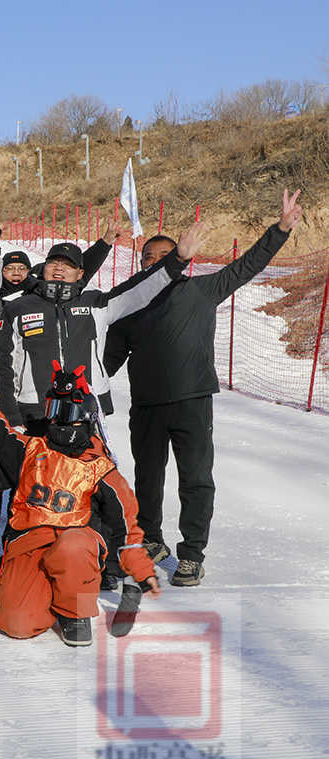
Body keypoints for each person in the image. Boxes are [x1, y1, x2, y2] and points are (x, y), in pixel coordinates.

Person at [104, 189, 304, 586]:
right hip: (146, 405)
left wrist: (280, 230)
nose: (155, 263)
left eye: (164, 255)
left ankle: (192, 554)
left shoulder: (201, 290)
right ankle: (151, 539)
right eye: (148, 258)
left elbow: (248, 265)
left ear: (184, 258)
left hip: (191, 401)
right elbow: (107, 361)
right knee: (147, 479)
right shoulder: (129, 305)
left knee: (195, 479)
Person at [0, 362, 160, 645]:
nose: (59, 422)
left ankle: (75, 612)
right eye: (54, 412)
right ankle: (46, 593)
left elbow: (127, 523)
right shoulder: (31, 450)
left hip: (75, 546)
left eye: (68, 414)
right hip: (28, 542)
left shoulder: (99, 467)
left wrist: (138, 571)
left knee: (73, 546)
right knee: (17, 624)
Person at [0, 225, 200, 430]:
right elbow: (2, 363)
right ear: (44, 267)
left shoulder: (96, 303)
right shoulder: (16, 308)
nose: (59, 268)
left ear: (80, 273)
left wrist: (177, 261)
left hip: (87, 409)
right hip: (33, 411)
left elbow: (137, 288)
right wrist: (10, 414)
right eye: (53, 262)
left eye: (68, 265)